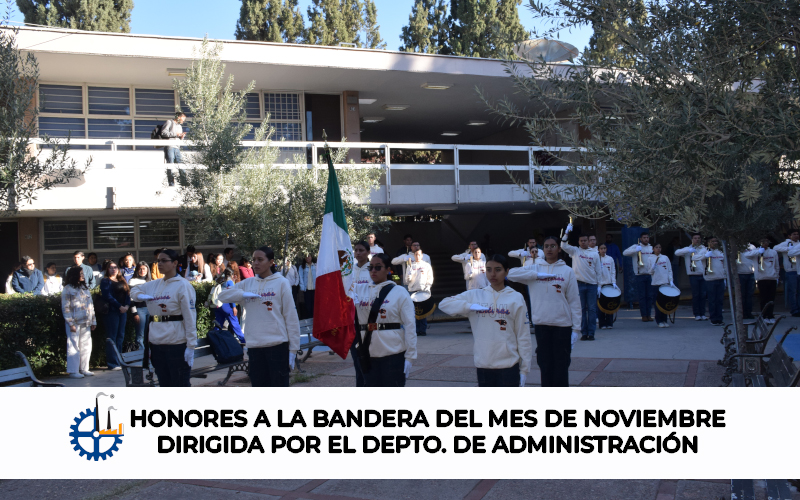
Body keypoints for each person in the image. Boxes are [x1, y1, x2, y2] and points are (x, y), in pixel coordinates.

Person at [439, 254, 531, 387]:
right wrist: (469, 307)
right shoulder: (475, 295)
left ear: (507, 271)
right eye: (488, 269)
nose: (493, 274)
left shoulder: (516, 298)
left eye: (498, 269)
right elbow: (444, 304)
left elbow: (523, 336)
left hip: (509, 366)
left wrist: (524, 370)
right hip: (483, 365)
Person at [217, 246, 300, 387]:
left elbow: (291, 317)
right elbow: (222, 295)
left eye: (260, 259)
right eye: (254, 259)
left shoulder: (281, 283)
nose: (256, 263)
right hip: (255, 347)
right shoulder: (248, 283)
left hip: (277, 346)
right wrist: (243, 294)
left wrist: (293, 349)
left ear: (271, 262)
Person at [508, 236, 581, 387]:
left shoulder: (567, 271)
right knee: (545, 362)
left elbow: (574, 301)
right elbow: (511, 274)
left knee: (561, 363)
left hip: (562, 324)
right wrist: (536, 275)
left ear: (559, 249)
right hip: (541, 323)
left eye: (553, 246)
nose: (549, 249)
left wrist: (576, 328)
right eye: (546, 246)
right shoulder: (535, 268)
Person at [129, 249, 198, 387]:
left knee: (179, 384)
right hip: (157, 344)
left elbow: (190, 317)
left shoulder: (183, 285)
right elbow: (134, 290)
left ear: (175, 263)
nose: (160, 264)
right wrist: (140, 296)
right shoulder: (154, 284)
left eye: (164, 260)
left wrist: (191, 345)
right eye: (158, 261)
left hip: (176, 344)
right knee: (164, 384)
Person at [353, 253, 417, 387]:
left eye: (378, 267)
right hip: (367, 354)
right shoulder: (359, 290)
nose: (373, 271)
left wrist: (411, 355)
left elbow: (410, 325)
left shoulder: (399, 292)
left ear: (388, 269)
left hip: (392, 354)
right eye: (370, 267)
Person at [561, 224, 601, 340]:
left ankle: (591, 332)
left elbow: (598, 271)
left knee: (592, 310)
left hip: (592, 285)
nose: (583, 242)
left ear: (589, 241)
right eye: (581, 241)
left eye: (585, 240)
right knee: (581, 309)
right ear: (578, 242)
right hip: (578, 284)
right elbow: (563, 245)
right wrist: (566, 233)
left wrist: (599, 286)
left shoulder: (594, 254)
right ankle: (584, 332)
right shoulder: (575, 251)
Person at [60, 267, 96, 378]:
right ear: (74, 275)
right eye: (80, 273)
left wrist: (93, 320)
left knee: (86, 346)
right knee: (73, 345)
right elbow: (65, 308)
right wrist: (70, 323)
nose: (83, 275)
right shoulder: (67, 289)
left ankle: (84, 369)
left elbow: (91, 305)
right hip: (74, 323)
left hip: (86, 321)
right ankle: (73, 371)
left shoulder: (85, 288)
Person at [349, 241, 372, 387]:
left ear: (368, 252)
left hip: (368, 322)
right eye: (356, 250)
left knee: (369, 360)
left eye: (361, 250)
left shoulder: (373, 269)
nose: (358, 253)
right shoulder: (350, 270)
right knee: (357, 361)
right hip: (352, 322)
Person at [99, 260, 130, 370]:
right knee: (112, 337)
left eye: (115, 267)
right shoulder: (105, 281)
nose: (113, 269)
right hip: (112, 312)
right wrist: (119, 306)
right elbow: (107, 296)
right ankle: (112, 363)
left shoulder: (122, 280)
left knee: (120, 337)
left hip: (123, 312)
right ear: (107, 269)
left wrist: (126, 306)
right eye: (111, 267)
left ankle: (119, 361)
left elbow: (127, 294)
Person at [693, 236, 727, 326]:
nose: (714, 243)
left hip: (720, 278)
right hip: (710, 279)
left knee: (719, 300)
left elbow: (724, 264)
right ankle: (713, 319)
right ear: (708, 243)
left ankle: (719, 318)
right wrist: (705, 256)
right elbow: (694, 258)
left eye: (716, 241)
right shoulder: (705, 251)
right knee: (712, 300)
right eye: (712, 241)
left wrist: (725, 277)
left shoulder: (720, 251)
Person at [744, 239, 779, 324]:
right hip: (761, 278)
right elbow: (746, 255)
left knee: (771, 298)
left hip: (772, 277)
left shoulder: (773, 252)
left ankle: (770, 315)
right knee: (763, 298)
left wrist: (776, 275)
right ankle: (764, 315)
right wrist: (758, 252)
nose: (765, 244)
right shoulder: (756, 251)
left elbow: (776, 265)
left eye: (767, 242)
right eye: (763, 242)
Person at [674, 233, 708, 321]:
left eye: (698, 238)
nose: (697, 240)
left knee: (703, 295)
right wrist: (689, 251)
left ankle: (703, 313)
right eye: (695, 238)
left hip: (703, 274)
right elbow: (676, 253)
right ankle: (697, 314)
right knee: (696, 295)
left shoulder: (704, 248)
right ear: (692, 239)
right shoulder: (687, 249)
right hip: (693, 275)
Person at [623, 232, 655, 322]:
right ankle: (644, 315)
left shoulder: (651, 248)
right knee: (642, 296)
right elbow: (625, 253)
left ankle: (649, 314)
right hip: (640, 275)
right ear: (641, 239)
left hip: (650, 274)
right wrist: (635, 250)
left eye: (647, 237)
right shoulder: (635, 246)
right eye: (644, 237)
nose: (646, 239)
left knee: (649, 296)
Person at [404, 243, 434, 336]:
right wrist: (409, 275)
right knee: (414, 311)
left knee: (423, 311)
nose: (418, 256)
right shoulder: (411, 266)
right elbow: (406, 280)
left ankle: (423, 330)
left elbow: (430, 277)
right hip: (413, 290)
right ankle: (416, 330)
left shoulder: (426, 265)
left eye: (419, 255)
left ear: (422, 255)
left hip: (423, 290)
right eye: (416, 255)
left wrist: (428, 286)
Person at [208, 268, 244, 343]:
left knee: (218, 324)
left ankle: (214, 341)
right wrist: (234, 307)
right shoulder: (230, 282)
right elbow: (231, 296)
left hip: (217, 306)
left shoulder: (219, 281)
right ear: (231, 275)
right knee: (235, 324)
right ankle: (243, 341)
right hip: (226, 306)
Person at [774, 229, 800, 317]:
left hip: (799, 270)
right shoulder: (786, 243)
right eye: (794, 234)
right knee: (792, 292)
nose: (796, 236)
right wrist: (787, 249)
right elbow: (775, 248)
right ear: (789, 236)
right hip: (791, 271)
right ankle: (794, 310)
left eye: (797, 234)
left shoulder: (799, 244)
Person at [648, 243, 675, 328]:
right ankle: (659, 320)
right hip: (656, 283)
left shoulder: (665, 257)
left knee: (665, 303)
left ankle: (664, 320)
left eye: (660, 247)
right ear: (653, 249)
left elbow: (669, 270)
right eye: (656, 247)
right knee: (658, 303)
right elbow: (649, 272)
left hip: (665, 283)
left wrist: (670, 280)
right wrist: (653, 267)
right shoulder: (650, 258)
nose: (658, 249)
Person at [128, 261, 152, 349]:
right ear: (137, 270)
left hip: (149, 309)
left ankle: (148, 354)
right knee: (140, 335)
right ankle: (140, 356)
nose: (142, 271)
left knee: (149, 334)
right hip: (139, 310)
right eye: (140, 269)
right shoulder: (132, 281)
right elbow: (131, 298)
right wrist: (134, 313)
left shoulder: (150, 281)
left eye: (144, 269)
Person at [597, 243, 618, 330]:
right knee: (601, 305)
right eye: (601, 248)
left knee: (609, 304)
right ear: (598, 249)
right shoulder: (597, 259)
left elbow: (613, 271)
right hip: (600, 285)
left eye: (604, 248)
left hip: (608, 284)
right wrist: (598, 285)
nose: (603, 250)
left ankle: (609, 323)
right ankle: (602, 323)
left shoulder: (610, 259)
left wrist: (613, 282)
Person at [736, 245, 757, 320]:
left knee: (749, 295)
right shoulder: (735, 245)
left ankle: (749, 312)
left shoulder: (752, 247)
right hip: (740, 273)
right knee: (741, 295)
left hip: (750, 273)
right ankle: (742, 313)